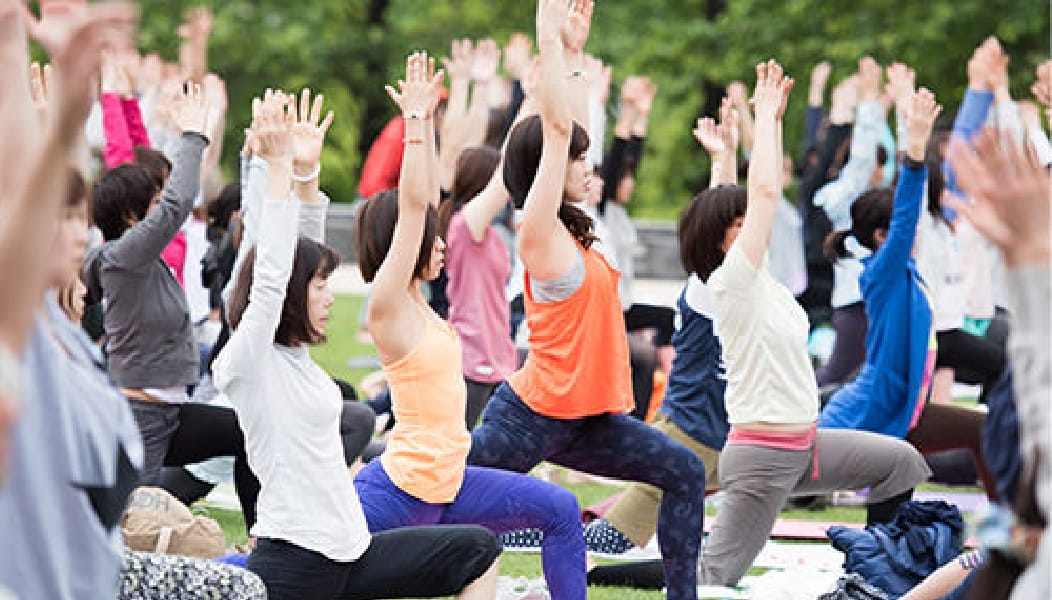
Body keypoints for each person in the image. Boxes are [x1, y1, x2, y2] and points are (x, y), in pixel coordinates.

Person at [213, 87, 499, 600]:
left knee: (478, 549)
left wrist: (306, 175)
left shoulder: (295, 357)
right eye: (319, 287)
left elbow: (300, 254)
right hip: (296, 565)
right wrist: (275, 171)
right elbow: (274, 273)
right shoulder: (249, 361)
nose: (330, 298)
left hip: (352, 553)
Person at [467, 2, 707, 599]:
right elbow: (555, 130)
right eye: (576, 160)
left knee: (684, 471)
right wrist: (550, 42)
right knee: (436, 486)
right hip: (529, 420)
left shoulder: (579, 231)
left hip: (588, 420)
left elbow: (567, 127)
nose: (585, 164)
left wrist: (574, 56)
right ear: (546, 168)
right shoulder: (538, 231)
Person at [352, 49, 587, 599]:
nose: (441, 243)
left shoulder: (424, 309)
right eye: (429, 238)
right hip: (399, 495)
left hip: (449, 484)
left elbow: (442, 199)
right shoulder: (388, 304)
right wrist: (418, 123)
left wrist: (549, 87)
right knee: (289, 574)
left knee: (560, 509)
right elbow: (416, 204)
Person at [693, 61, 931, 588]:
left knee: (900, 462)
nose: (750, 228)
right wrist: (767, 117)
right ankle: (601, 577)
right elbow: (760, 196)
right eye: (737, 226)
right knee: (710, 578)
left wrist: (723, 158)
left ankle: (878, 574)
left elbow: (727, 205)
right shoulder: (731, 283)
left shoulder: (760, 281)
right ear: (721, 240)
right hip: (762, 457)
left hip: (806, 448)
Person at [0, 4, 142, 598]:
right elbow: (18, 193)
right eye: (59, 218)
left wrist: (69, 105)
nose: (78, 231)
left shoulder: (63, 334)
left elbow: (57, 187)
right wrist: (12, 47)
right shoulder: (22, 335)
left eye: (78, 217)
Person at [83, 79, 261, 527]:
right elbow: (178, 201)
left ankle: (263, 539)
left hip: (171, 412)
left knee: (251, 434)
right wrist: (193, 136)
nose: (164, 209)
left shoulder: (144, 259)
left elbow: (156, 185)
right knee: (126, 530)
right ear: (131, 217)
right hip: (140, 416)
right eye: (155, 203)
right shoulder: (122, 258)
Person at [818, 76, 1000, 500]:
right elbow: (905, 215)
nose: (915, 232)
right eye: (906, 229)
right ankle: (1009, 524)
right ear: (882, 237)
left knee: (980, 431)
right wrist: (915, 150)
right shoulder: (882, 272)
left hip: (904, 409)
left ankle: (1011, 521)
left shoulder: (904, 274)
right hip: (875, 409)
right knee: (893, 477)